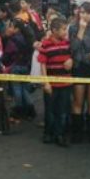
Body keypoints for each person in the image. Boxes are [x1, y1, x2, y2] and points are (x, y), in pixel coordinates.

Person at [68, 2, 90, 144]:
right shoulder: (73, 27)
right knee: (78, 101)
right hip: (79, 66)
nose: (85, 15)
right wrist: (81, 30)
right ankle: (77, 132)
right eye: (82, 12)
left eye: (88, 13)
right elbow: (73, 48)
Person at [37, 18, 73, 147]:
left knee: (62, 110)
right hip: (51, 83)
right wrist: (45, 82)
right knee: (50, 110)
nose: (65, 32)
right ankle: (48, 133)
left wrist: (71, 61)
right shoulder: (46, 44)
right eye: (63, 29)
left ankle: (60, 134)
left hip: (66, 83)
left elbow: (72, 56)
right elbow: (42, 64)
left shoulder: (68, 43)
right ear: (54, 30)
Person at [1, 18, 36, 121]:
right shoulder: (28, 39)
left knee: (17, 90)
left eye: (11, 26)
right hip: (26, 66)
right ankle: (30, 111)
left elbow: (7, 56)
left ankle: (18, 112)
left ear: (16, 29)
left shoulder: (12, 40)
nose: (9, 28)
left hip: (15, 66)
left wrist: (3, 61)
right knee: (25, 89)